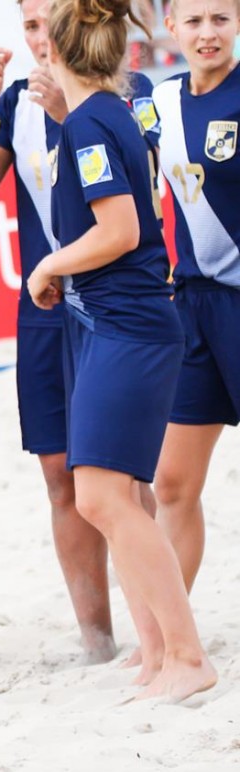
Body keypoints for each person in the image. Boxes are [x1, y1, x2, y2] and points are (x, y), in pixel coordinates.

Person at [25, 0, 215, 702]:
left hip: (128, 326)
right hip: (117, 320)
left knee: (105, 498)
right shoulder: (98, 114)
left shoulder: (92, 122)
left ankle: (186, 655)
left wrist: (49, 265)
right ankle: (158, 655)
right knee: (116, 496)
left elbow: (121, 230)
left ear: (55, 49)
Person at [0, 0, 127, 665]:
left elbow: (132, 207)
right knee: (59, 475)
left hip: (111, 301)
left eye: (55, 19)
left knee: (121, 474)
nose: (44, 36)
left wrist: (66, 114)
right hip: (45, 308)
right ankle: (97, 641)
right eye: (30, 25)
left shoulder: (116, 95)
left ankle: (156, 627)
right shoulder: (16, 100)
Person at [149, 0, 240, 682]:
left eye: (222, 18)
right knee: (172, 483)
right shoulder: (157, 103)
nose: (208, 33)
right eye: (195, 20)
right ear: (170, 26)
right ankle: (167, 645)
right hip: (193, 306)